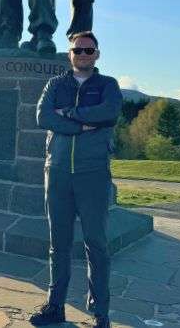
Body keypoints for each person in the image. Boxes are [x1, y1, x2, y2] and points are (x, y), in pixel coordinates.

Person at [32, 31, 122, 327]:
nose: (83, 54)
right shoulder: (55, 84)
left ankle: (100, 313)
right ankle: (55, 306)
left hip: (93, 174)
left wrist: (69, 113)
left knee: (96, 243)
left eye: (88, 50)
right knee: (58, 244)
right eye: (77, 50)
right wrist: (81, 125)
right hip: (57, 172)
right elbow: (44, 117)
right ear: (69, 54)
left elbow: (109, 113)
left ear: (97, 54)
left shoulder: (108, 85)